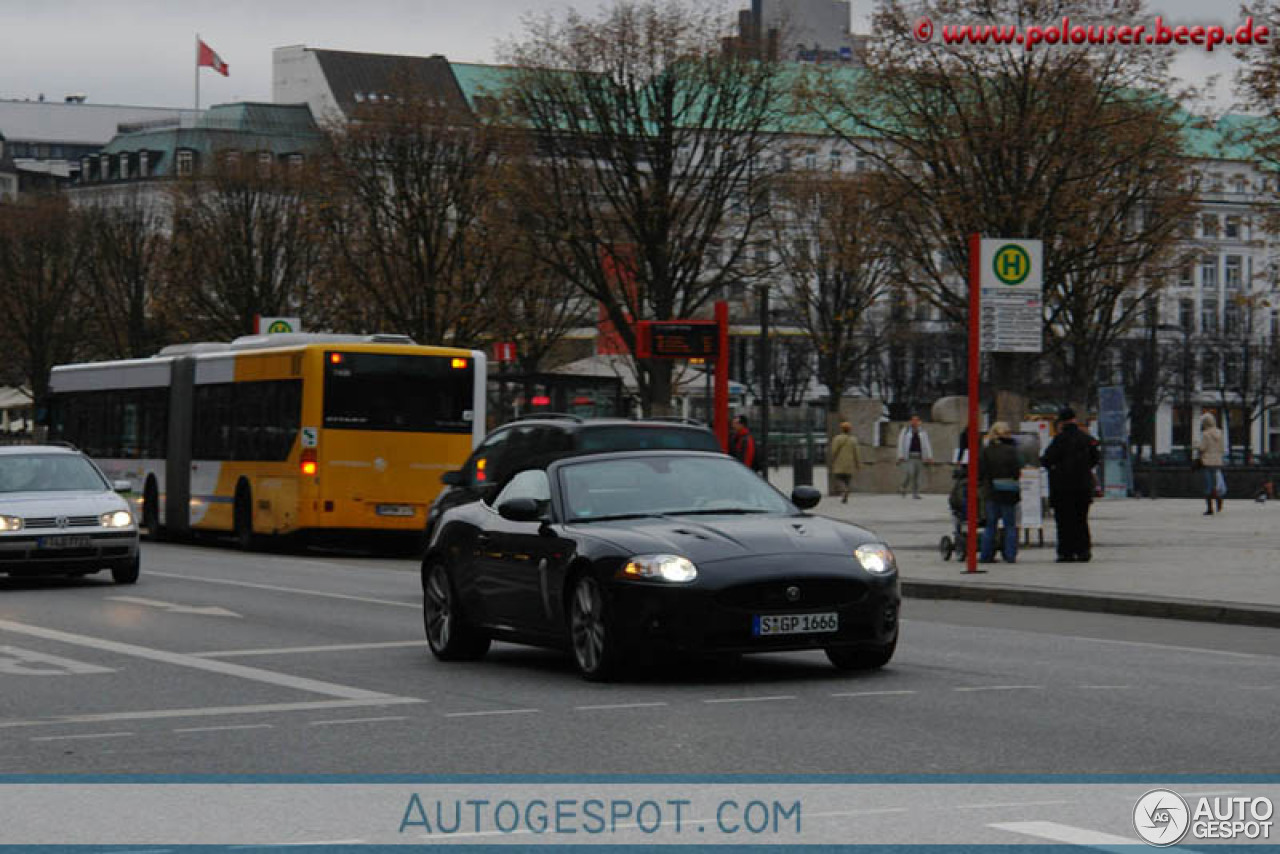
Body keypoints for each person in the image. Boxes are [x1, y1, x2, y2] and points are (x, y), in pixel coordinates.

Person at [1040, 407, 1101, 563]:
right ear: (1074, 419)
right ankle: (1083, 551)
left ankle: (1066, 552)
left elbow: (1047, 460)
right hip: (1082, 486)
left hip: (1062, 487)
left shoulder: (1059, 439)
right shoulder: (1086, 439)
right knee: (1081, 519)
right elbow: (1096, 458)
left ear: (1061, 422)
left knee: (1064, 521)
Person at [978, 422, 1021, 564]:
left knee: (990, 525)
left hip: (991, 491)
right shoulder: (1012, 450)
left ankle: (986, 555)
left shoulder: (986, 450)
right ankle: (1010, 555)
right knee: (1010, 525)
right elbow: (1016, 471)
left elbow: (981, 471)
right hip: (1008, 491)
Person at [896, 415, 934, 498]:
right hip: (909, 456)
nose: (915, 422)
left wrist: (929, 456)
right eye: (913, 420)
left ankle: (915, 493)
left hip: (919, 456)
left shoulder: (923, 432)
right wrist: (900, 455)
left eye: (917, 420)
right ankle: (903, 486)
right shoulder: (905, 431)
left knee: (917, 475)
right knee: (910, 473)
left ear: (919, 422)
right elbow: (900, 443)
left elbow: (927, 444)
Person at [1197, 412, 1226, 516]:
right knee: (1217, 484)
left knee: (1208, 485)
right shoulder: (1220, 433)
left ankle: (1210, 508)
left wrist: (1197, 446)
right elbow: (1222, 448)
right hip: (1218, 462)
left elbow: (1202, 448)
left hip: (1207, 462)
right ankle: (1219, 499)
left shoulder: (1205, 434)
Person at [828, 421, 862, 503]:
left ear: (841, 429)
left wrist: (832, 460)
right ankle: (846, 491)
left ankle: (844, 490)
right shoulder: (853, 440)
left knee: (839, 478)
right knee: (847, 480)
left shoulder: (837, 439)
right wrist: (858, 464)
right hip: (849, 464)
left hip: (839, 462)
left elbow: (834, 451)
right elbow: (857, 453)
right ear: (850, 429)